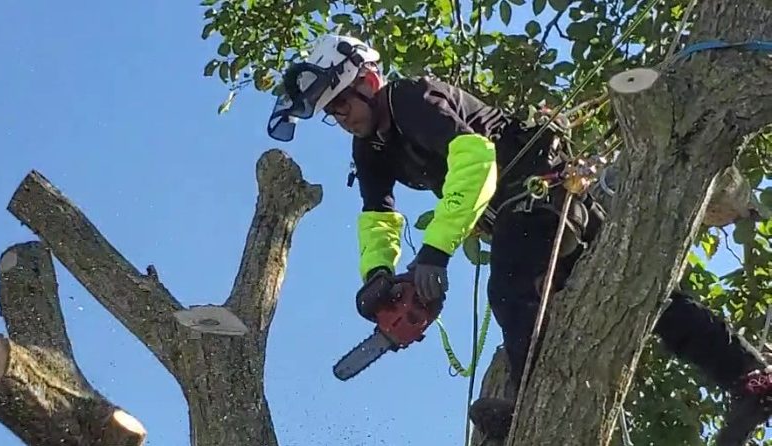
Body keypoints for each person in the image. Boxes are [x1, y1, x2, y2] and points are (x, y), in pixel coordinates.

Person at [265, 33, 772, 445]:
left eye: (342, 103)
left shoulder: (410, 99)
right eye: (331, 112)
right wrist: (378, 276)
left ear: (368, 81)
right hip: (521, 212)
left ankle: (529, 403)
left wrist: (436, 252)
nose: (341, 117)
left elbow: (476, 159)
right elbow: (378, 214)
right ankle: (750, 378)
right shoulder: (370, 149)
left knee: (510, 289)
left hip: (538, 191)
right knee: (647, 295)